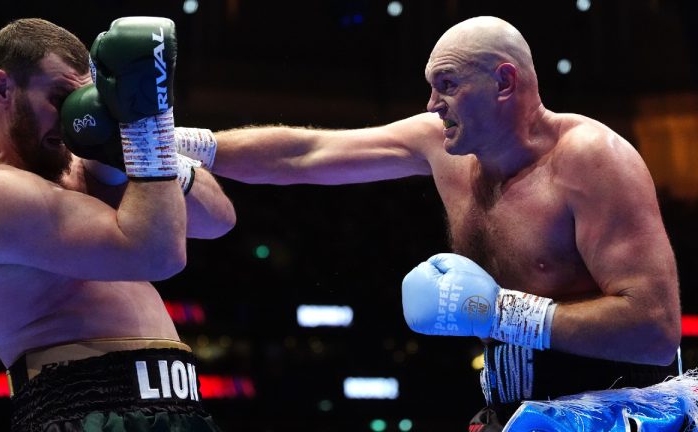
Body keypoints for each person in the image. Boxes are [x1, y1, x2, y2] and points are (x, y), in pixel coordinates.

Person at [205, 16, 684, 430]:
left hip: (617, 412)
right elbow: (306, 154)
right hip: (510, 408)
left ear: (504, 82)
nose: (433, 103)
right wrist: (188, 146)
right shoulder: (442, 147)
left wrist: (502, 314)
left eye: (448, 84)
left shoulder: (591, 159)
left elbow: (656, 332)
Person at [0, 17, 234, 431]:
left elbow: (218, 218)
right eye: (59, 98)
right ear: (3, 88)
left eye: (78, 101)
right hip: (85, 413)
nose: (68, 120)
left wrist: (132, 137)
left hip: (178, 406)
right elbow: (158, 255)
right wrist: (145, 123)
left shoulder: (72, 160)